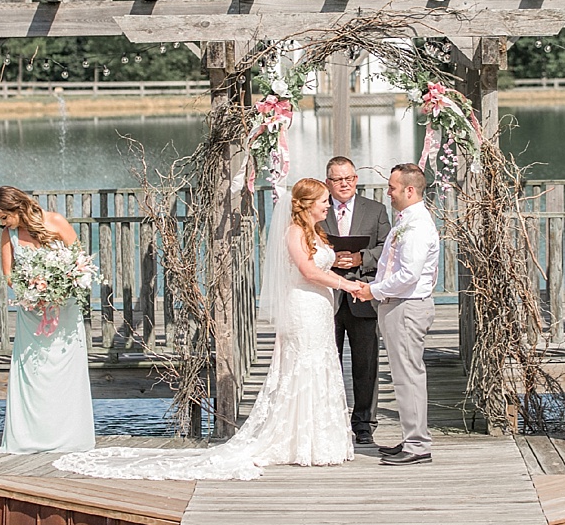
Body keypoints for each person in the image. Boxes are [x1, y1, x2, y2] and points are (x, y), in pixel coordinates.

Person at [57, 177, 361, 481]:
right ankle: (299, 443)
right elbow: (307, 271)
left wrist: (338, 270)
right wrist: (347, 284)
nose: (327, 205)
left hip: (319, 309)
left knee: (321, 365)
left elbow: (318, 266)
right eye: (323, 201)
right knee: (303, 368)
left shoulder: (315, 232)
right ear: (308, 204)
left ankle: (317, 439)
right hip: (303, 308)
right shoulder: (294, 232)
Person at [0, 186, 95, 454]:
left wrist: (58, 286)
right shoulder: (8, 235)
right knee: (34, 371)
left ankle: (70, 436)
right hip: (31, 311)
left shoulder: (56, 221)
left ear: (17, 208)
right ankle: (31, 436)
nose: (3, 223)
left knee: (63, 370)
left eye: (4, 217)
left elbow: (80, 260)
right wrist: (30, 293)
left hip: (65, 308)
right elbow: (9, 275)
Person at [355, 164, 442, 465]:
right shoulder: (406, 220)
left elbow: (408, 274)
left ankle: (418, 445)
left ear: (409, 190)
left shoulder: (417, 226)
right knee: (403, 375)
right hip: (398, 305)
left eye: (392, 187)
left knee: (408, 376)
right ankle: (410, 437)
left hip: (406, 306)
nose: (388, 193)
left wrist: (373, 291)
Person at [325, 156, 390, 446]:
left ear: (356, 180)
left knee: (366, 364)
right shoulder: (318, 209)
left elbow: (387, 249)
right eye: (338, 179)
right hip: (326, 297)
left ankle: (364, 424)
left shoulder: (375, 210)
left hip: (363, 294)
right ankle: (330, 421)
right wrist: (330, 258)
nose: (344, 184)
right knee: (328, 362)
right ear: (328, 182)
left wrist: (361, 258)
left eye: (349, 179)